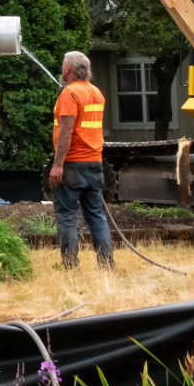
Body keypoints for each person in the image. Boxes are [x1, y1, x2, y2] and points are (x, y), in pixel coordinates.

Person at [49, 50, 113, 270]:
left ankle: (70, 265)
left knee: (66, 216)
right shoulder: (96, 92)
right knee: (96, 215)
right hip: (94, 162)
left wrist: (58, 166)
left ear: (68, 69)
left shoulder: (70, 94)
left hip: (72, 164)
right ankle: (106, 264)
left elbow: (66, 132)